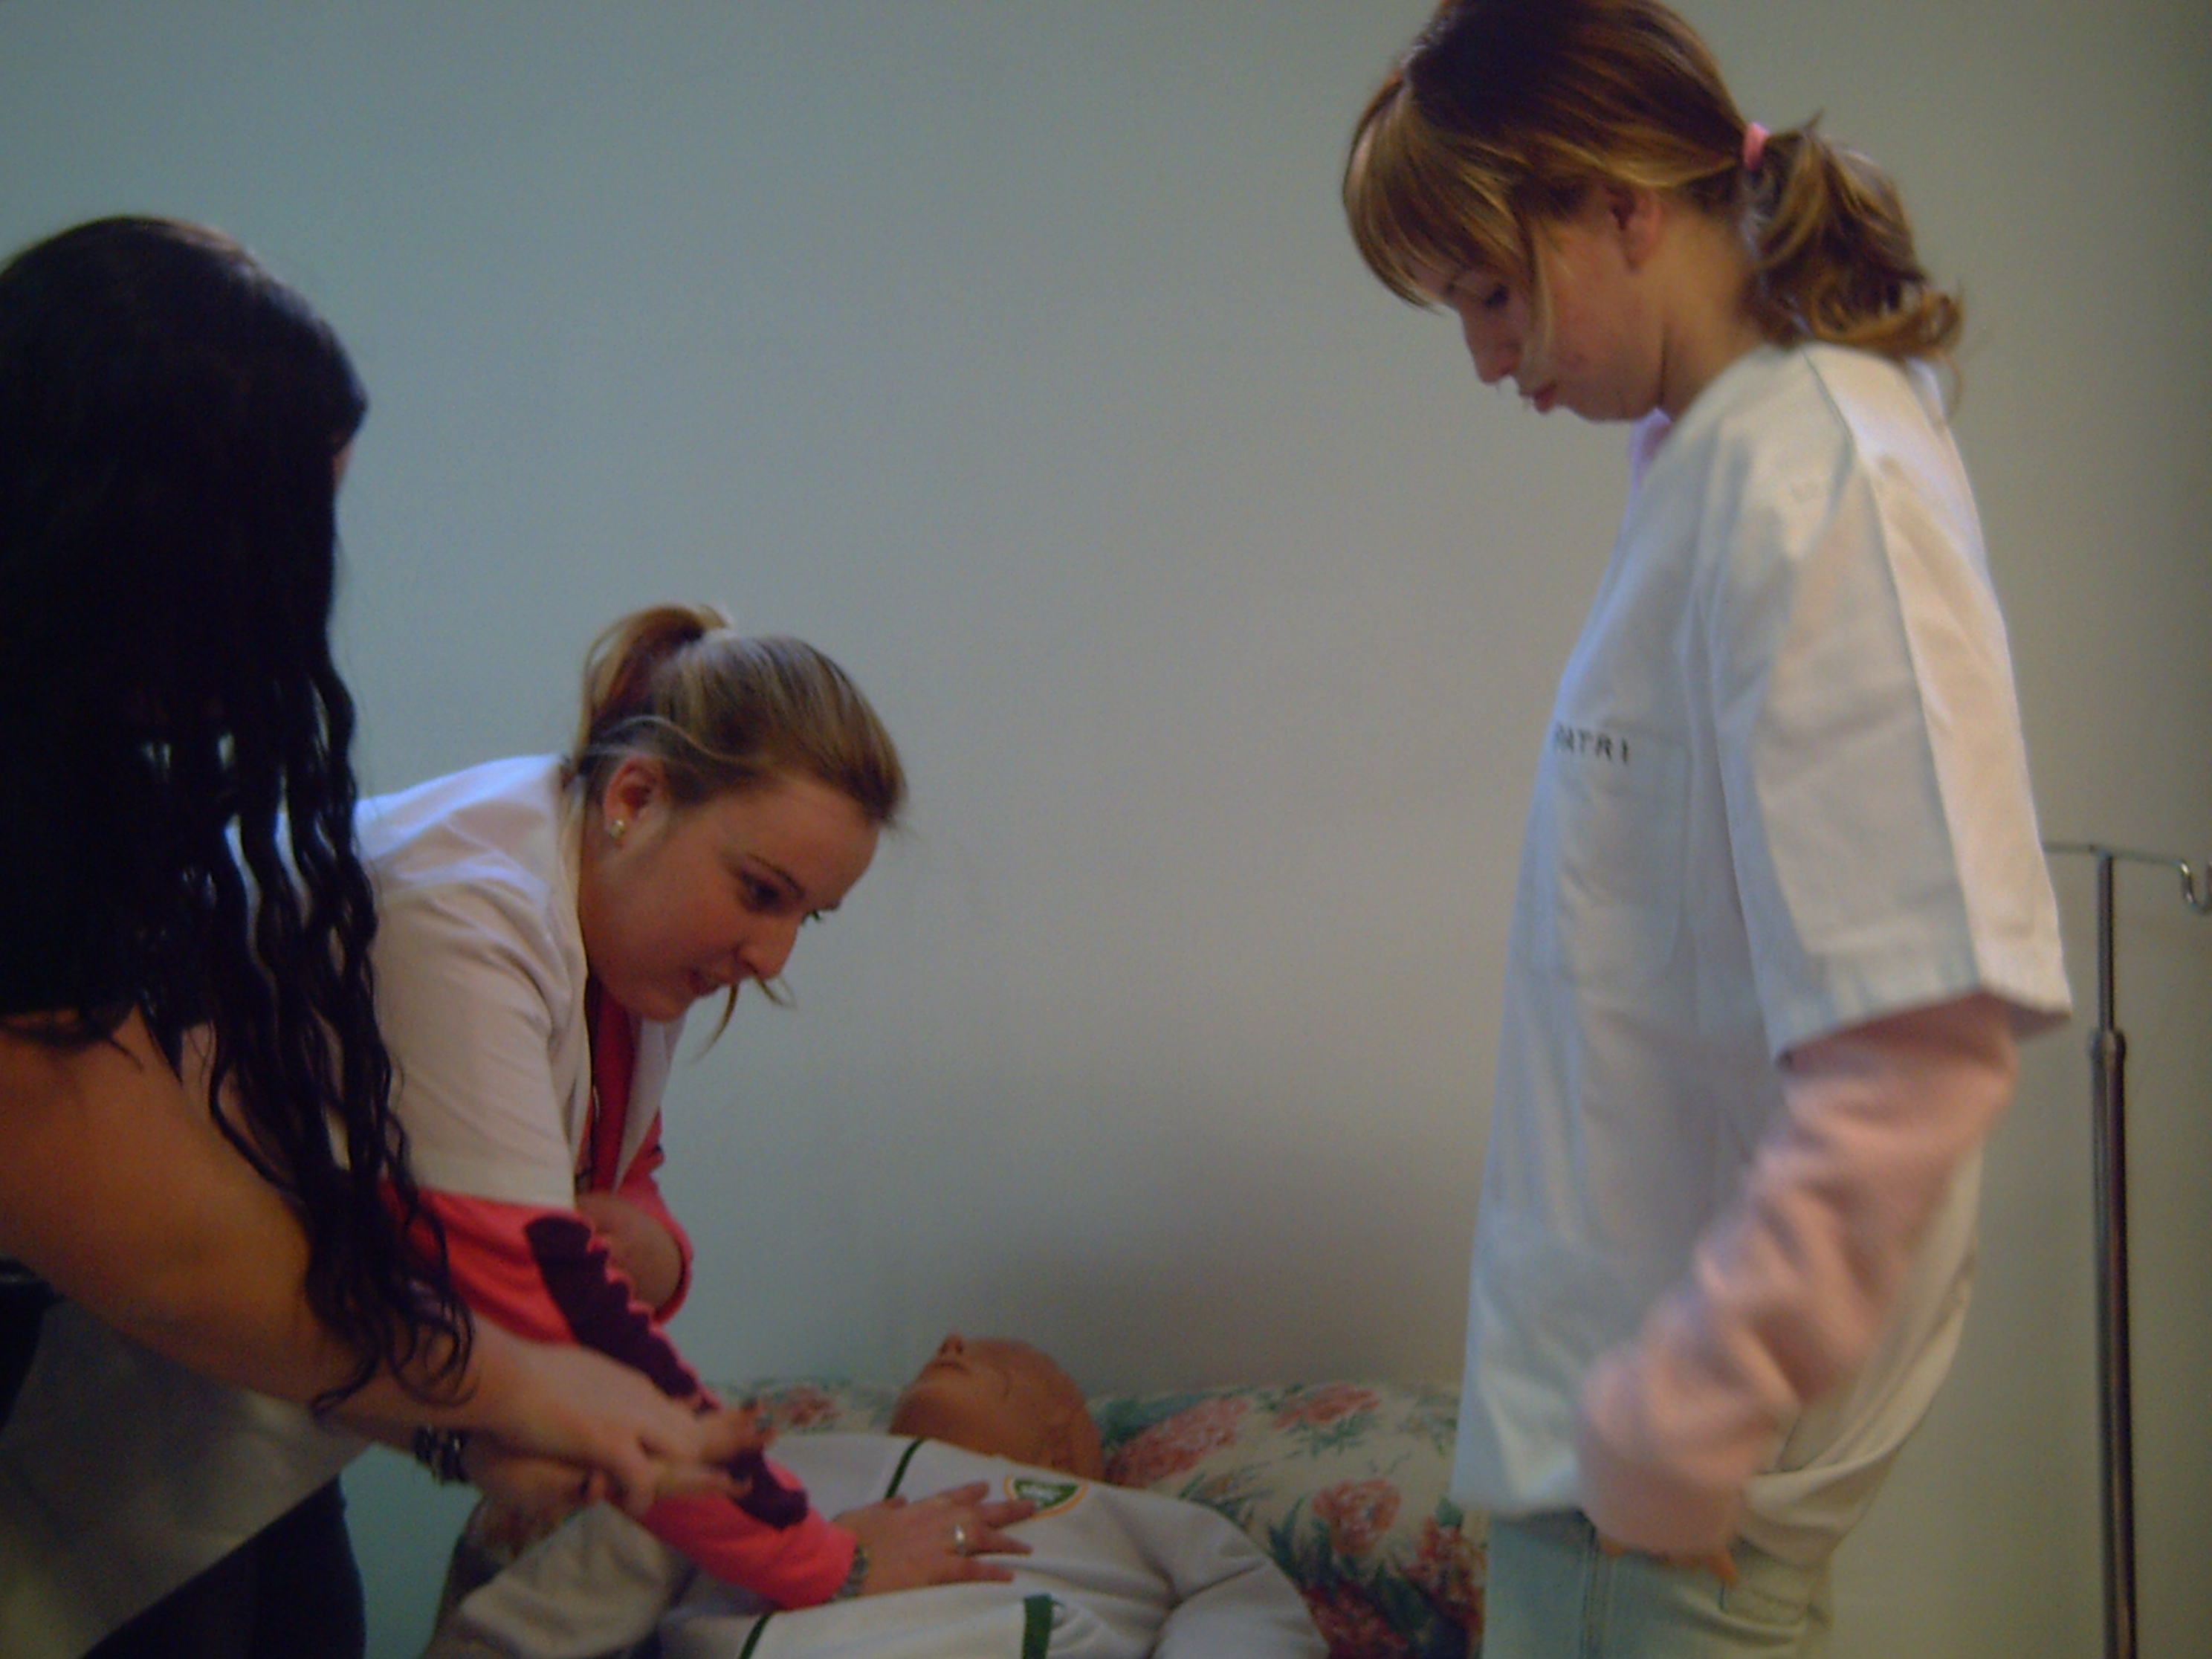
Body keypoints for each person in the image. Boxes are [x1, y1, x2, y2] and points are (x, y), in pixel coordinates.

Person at [1342, 2, 2070, 1652]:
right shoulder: (1713, 457)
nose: (1485, 358)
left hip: (1658, 1523)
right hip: (1608, 1490)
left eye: (1492, 291)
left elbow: (1926, 1044)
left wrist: (1699, 1400)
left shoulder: (1822, 477)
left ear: (1621, 204)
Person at [0, 218, 751, 1659]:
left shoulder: (88, 771)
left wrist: (478, 1411)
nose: (304, 590)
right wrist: (521, 1391)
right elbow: (179, 1252)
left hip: (240, 1424)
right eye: (289, 532)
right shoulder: (470, 897)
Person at [355, 606, 1031, 1612]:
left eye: (807, 917)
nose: (773, 957)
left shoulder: (621, 942)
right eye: (760, 892)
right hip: (149, 1410)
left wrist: (660, 1252)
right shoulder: (460, 913)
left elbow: (615, 1171)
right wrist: (825, 1560)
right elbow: (543, 1294)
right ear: (636, 796)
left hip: (280, 1419)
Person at [426, 1334, 1329, 1658]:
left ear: (1066, 1445)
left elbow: (1244, 1600)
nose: (951, 1341)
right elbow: (614, 1557)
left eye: (1001, 1361)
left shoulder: (1123, 1517)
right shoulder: (780, 1463)